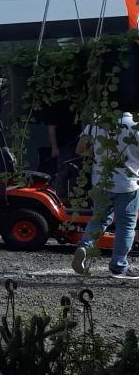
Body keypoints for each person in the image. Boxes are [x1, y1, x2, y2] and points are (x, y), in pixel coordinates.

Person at [70, 111, 139, 279]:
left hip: (100, 182)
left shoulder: (97, 121)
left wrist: (97, 156)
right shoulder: (136, 125)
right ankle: (118, 266)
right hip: (128, 184)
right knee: (126, 225)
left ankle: (84, 247)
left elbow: (80, 150)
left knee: (99, 219)